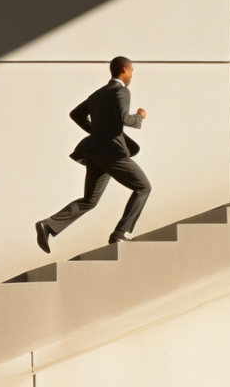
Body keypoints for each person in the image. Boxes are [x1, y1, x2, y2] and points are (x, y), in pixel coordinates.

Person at [35, 56, 151, 252]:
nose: (132, 76)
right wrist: (139, 117)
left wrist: (96, 133)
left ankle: (48, 225)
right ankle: (120, 233)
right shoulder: (122, 91)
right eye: (132, 71)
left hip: (95, 152)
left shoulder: (97, 94)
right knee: (143, 187)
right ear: (124, 69)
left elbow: (76, 114)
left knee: (89, 200)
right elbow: (124, 118)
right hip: (112, 153)